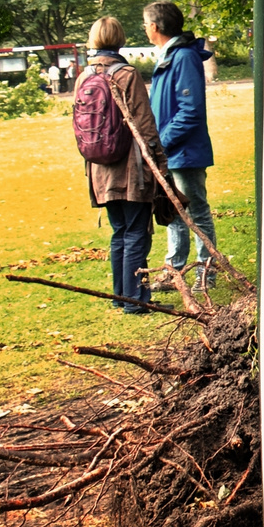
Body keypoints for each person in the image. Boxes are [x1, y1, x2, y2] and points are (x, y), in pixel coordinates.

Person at [79, 17, 169, 315]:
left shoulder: (83, 77)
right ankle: (136, 300)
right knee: (135, 232)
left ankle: (121, 296)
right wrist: (160, 166)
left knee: (119, 232)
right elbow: (145, 124)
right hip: (130, 168)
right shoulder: (126, 75)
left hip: (98, 169)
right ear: (121, 39)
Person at [142, 0, 216, 291]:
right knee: (171, 212)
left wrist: (161, 143)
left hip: (183, 153)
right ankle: (175, 272)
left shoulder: (183, 57)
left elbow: (190, 111)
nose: (145, 28)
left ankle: (205, 273)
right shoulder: (167, 55)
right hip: (169, 153)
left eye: (146, 23)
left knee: (196, 211)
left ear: (156, 26)